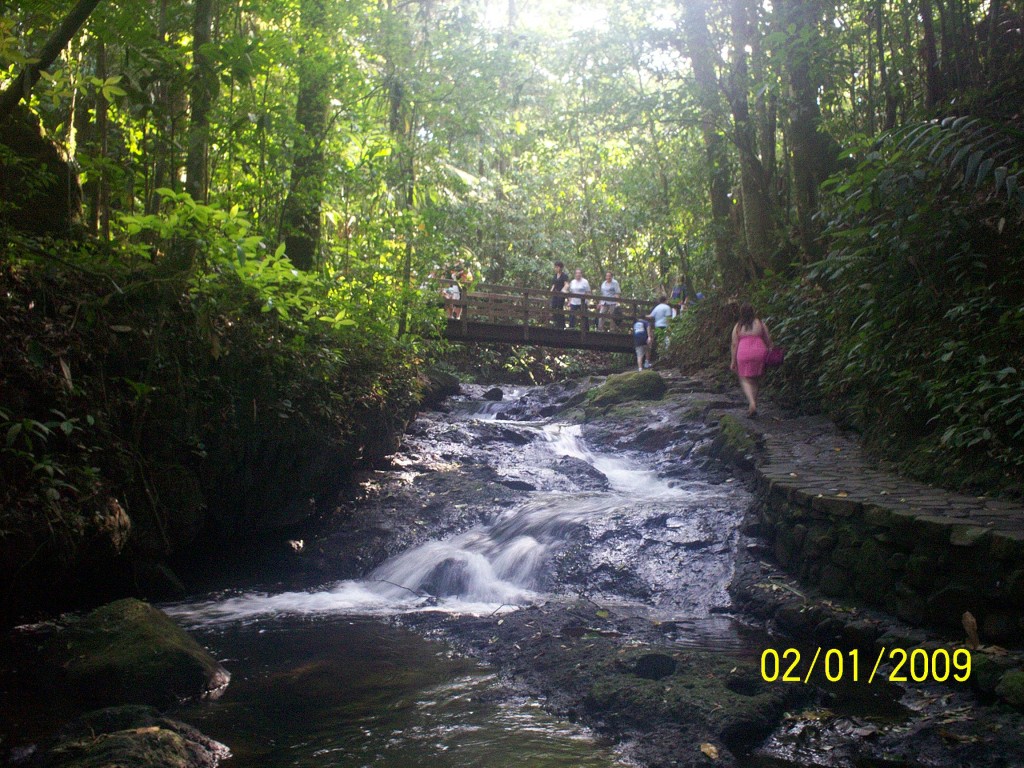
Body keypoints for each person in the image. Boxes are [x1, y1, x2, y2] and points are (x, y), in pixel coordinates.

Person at [730, 303, 774, 418]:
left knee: (744, 379)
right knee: (756, 379)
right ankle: (754, 402)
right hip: (759, 352)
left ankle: (752, 402)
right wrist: (771, 349)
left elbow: (734, 344)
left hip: (743, 353)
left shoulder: (738, 326)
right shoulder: (760, 323)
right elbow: (768, 339)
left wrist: (733, 360)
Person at [647, 295, 673, 360]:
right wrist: (670, 326)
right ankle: (666, 355)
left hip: (657, 326)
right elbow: (668, 318)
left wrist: (642, 316)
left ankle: (660, 356)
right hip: (665, 325)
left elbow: (650, 316)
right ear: (665, 300)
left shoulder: (657, 307)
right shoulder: (667, 307)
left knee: (660, 341)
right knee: (667, 340)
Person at [550, 261, 569, 328]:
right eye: (555, 267)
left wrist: (562, 291)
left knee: (559, 308)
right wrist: (550, 292)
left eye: (557, 267)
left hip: (561, 295)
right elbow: (553, 285)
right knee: (553, 307)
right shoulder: (555, 276)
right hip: (555, 294)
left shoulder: (564, 275)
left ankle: (561, 325)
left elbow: (566, 285)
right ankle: (556, 322)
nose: (556, 268)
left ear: (561, 268)